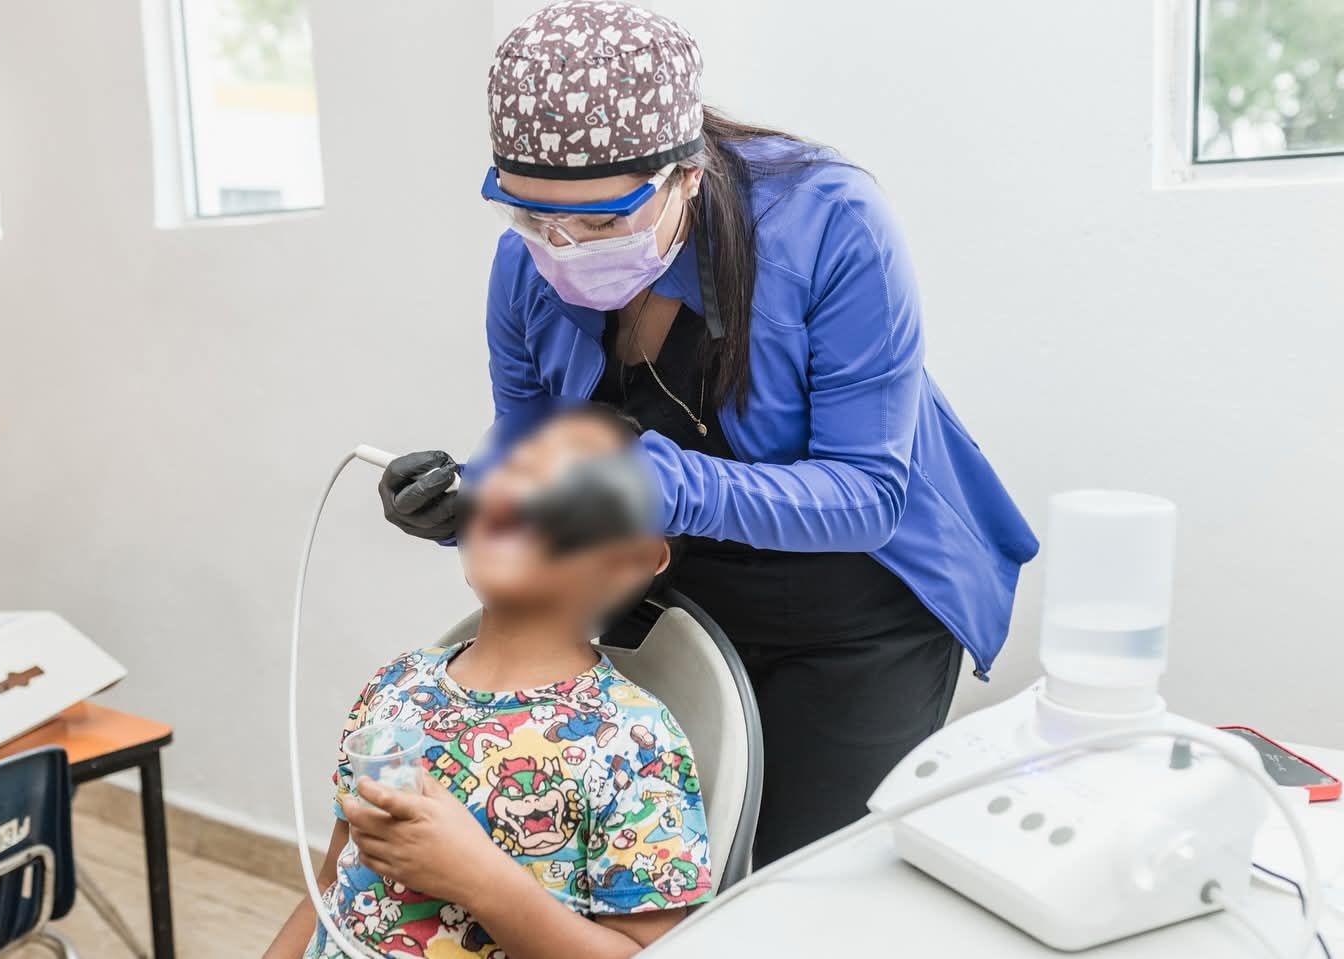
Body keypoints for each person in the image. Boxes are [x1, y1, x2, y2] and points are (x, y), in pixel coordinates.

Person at [381, 0, 1039, 865]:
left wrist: (657, 483)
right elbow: (532, 453)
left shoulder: (828, 221)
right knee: (674, 878)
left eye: (603, 220)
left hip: (859, 611)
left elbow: (867, 495)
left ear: (686, 174)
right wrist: (467, 498)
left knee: (791, 890)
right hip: (687, 607)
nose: (564, 247)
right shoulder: (525, 269)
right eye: (533, 217)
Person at [267, 406, 711, 959]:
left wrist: (479, 878)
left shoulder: (633, 741)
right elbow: (332, 883)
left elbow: (648, 953)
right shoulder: (397, 685)